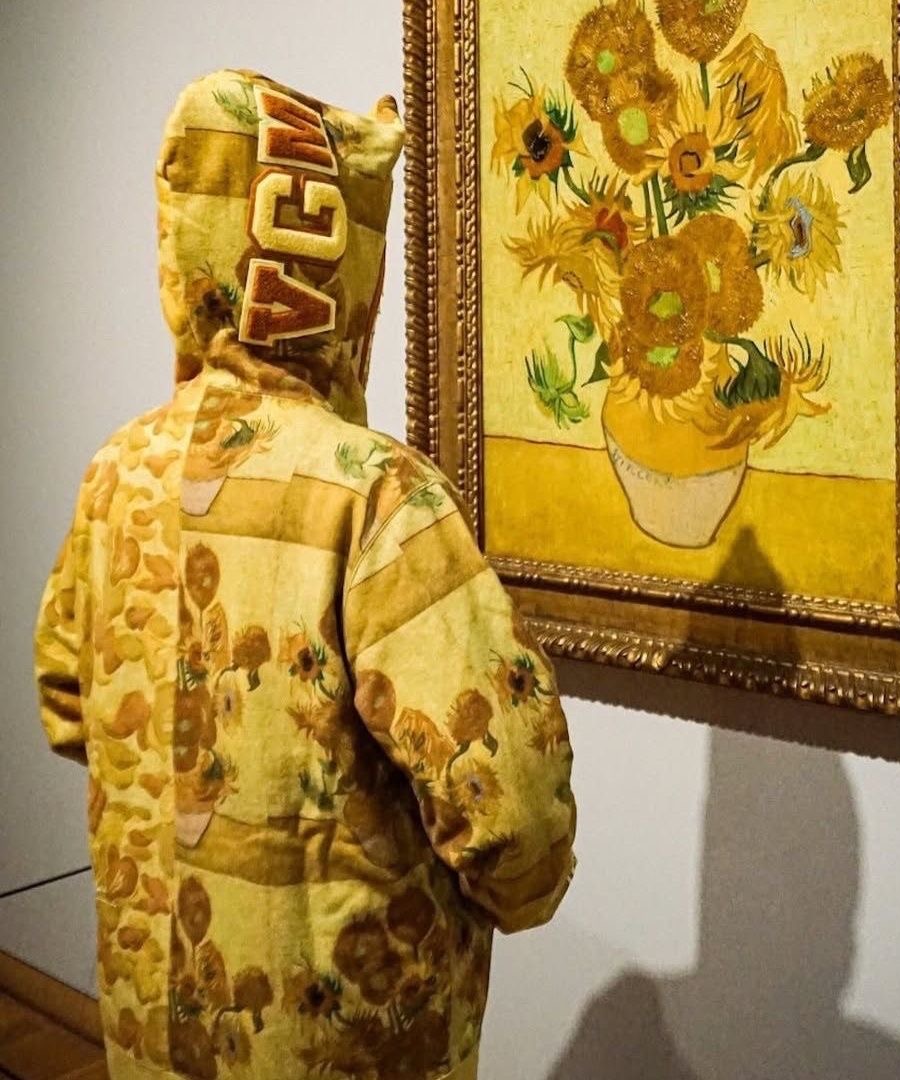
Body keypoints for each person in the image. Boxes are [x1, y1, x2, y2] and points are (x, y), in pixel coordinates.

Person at [33, 69, 576, 1080]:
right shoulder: (375, 493)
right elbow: (514, 810)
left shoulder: (118, 472)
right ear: (346, 269)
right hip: (340, 1047)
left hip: (151, 1030)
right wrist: (520, 894)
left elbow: (67, 700)